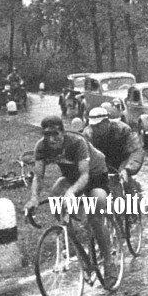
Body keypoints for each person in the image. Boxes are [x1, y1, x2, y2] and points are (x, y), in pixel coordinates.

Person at [25, 116, 118, 282]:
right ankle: (74, 241)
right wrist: (33, 198)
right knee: (56, 198)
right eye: (47, 135)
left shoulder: (76, 142)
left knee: (95, 215)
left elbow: (85, 176)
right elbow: (38, 177)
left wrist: (71, 192)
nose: (51, 139)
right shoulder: (41, 146)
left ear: (63, 132)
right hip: (70, 176)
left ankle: (109, 263)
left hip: (95, 175)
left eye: (55, 134)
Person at [83, 107, 144, 193]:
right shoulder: (87, 135)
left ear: (107, 122)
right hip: (99, 166)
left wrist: (127, 169)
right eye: (93, 126)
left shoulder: (123, 129)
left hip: (121, 162)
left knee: (129, 192)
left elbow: (136, 151)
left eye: (98, 125)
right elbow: (83, 157)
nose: (95, 129)